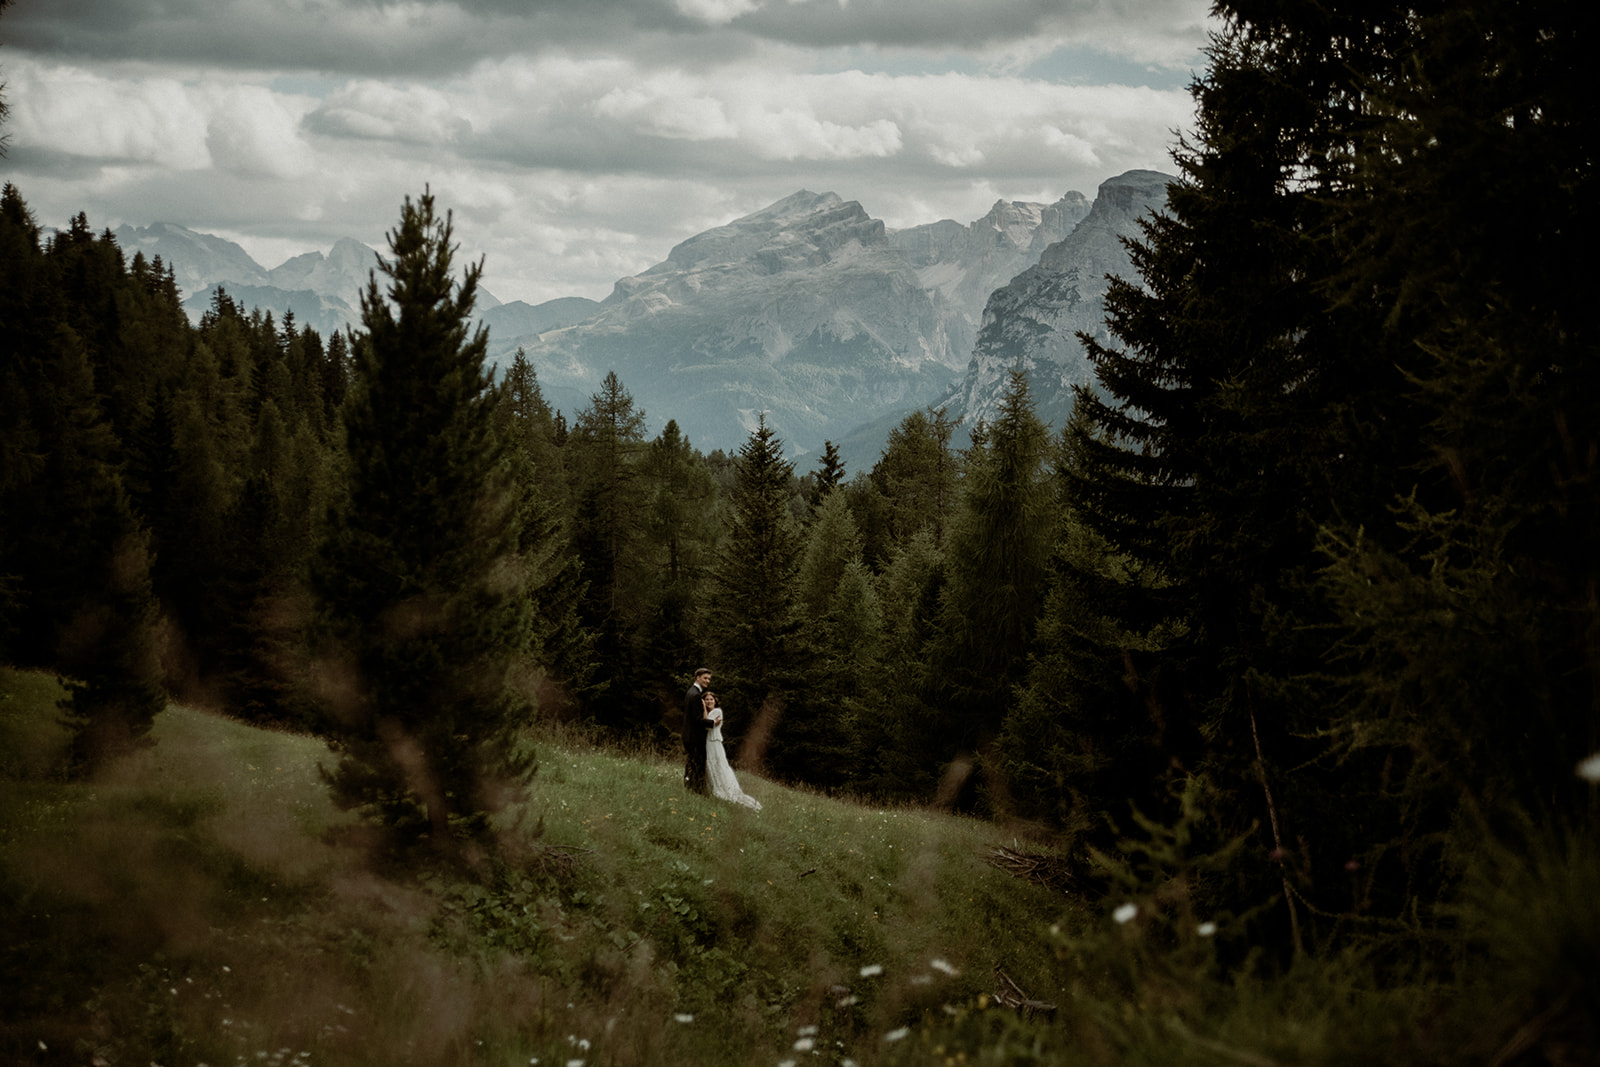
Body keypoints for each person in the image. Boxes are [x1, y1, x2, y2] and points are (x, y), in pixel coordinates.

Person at [702, 690, 761, 810]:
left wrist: (703, 707)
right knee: (711, 765)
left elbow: (707, 724)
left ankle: (724, 790)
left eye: (711, 699)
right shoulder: (709, 713)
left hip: (714, 743)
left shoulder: (717, 711)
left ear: (715, 701)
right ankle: (713, 787)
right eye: (706, 699)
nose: (709, 701)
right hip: (708, 743)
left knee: (719, 765)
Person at [682, 667, 713, 794]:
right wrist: (713, 723)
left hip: (690, 736)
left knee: (692, 765)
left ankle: (690, 789)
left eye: (709, 679)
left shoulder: (693, 692)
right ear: (698, 677)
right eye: (705, 678)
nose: (707, 681)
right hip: (694, 737)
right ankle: (698, 791)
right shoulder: (694, 695)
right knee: (697, 765)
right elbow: (697, 720)